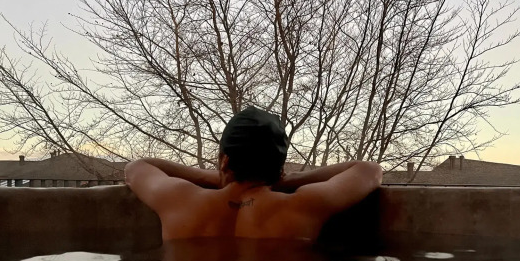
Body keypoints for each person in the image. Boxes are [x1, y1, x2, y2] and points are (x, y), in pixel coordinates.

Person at [125, 106, 383, 241]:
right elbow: (369, 170)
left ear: (224, 161)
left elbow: (136, 167)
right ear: (279, 168)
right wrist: (289, 180)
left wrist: (215, 176)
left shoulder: (180, 200)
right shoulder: (304, 206)